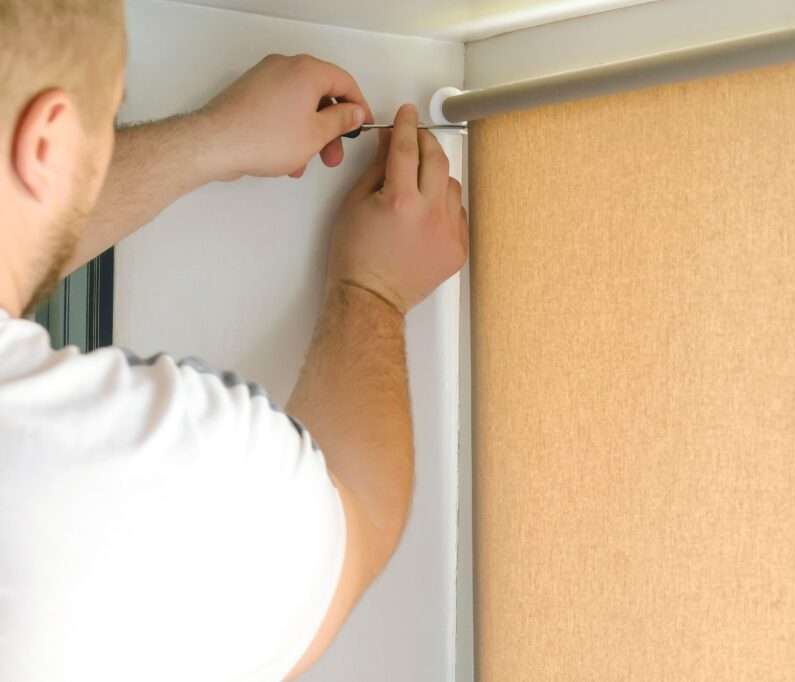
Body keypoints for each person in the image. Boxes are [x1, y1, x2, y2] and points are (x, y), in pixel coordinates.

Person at [0, 2, 468, 680]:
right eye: (105, 123)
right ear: (47, 143)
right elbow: (355, 517)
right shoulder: (120, 467)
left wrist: (211, 140)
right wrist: (374, 291)